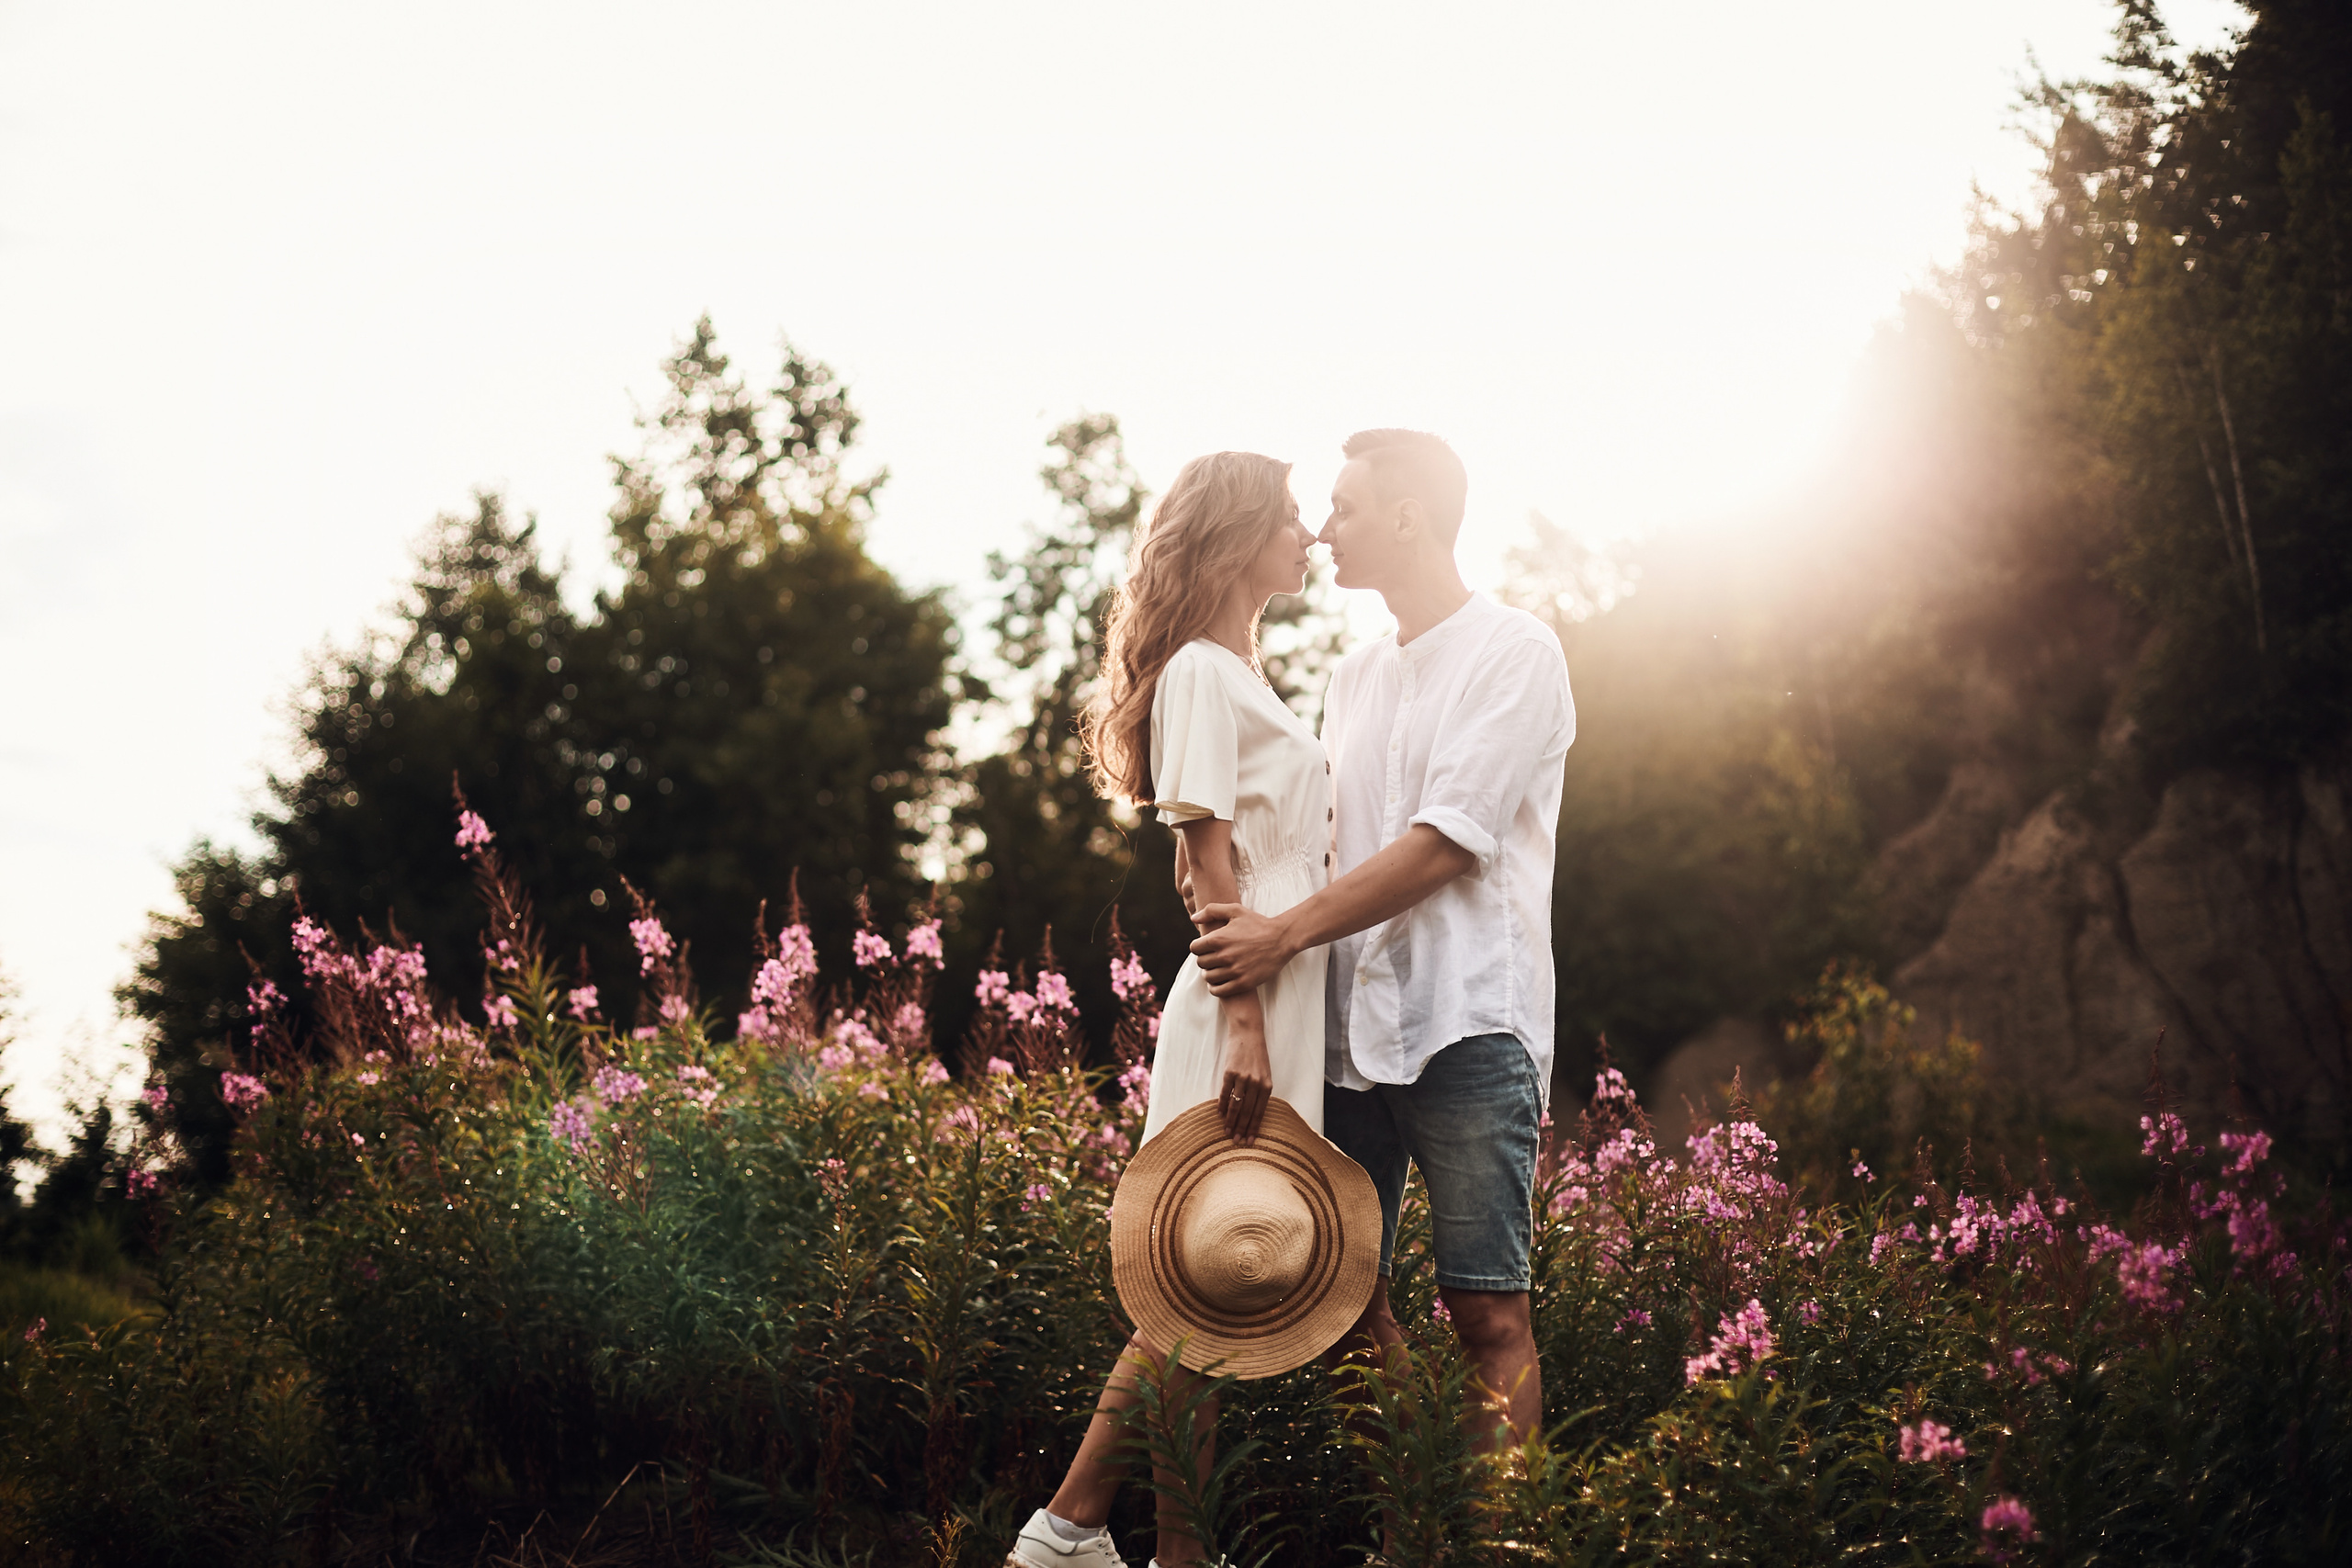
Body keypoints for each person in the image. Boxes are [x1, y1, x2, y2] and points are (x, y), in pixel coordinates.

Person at [1190, 428, 1574, 1454]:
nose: (1322, 528)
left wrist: (1276, 937)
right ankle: (1421, 1525)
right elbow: (1313, 843)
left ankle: (1499, 1545)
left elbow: (1445, 845)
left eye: (1345, 508)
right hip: (1346, 1035)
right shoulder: (1353, 675)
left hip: (1465, 1026)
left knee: (1487, 1313)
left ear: (1407, 518)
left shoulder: (1517, 650)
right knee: (1345, 1306)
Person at [1007, 450, 1329, 1568]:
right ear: (1237, 537)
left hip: (1281, 988)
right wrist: (1246, 1025)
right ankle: (1068, 1529)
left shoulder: (1240, 674)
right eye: (1289, 520)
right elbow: (1204, 867)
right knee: (1202, 1275)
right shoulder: (1199, 669)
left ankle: (1151, 1549)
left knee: (1222, 1283)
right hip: (1248, 998)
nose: (1309, 538)